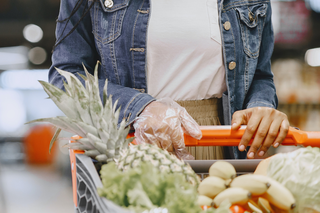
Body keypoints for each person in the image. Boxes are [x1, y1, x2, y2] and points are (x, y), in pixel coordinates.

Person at [49, 0, 289, 160]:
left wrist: (262, 106)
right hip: (133, 144)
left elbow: (259, 74)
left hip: (221, 145)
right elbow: (66, 77)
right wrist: (139, 106)